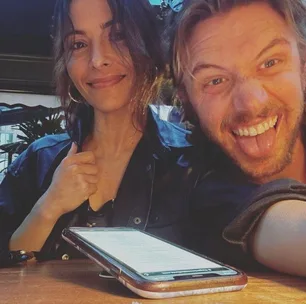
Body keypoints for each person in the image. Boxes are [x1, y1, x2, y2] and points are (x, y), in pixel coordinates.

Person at [170, 0, 306, 282]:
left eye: (270, 63)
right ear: (186, 98)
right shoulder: (199, 192)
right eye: (215, 80)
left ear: (303, 63)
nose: (250, 103)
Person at [0, 0, 198, 266]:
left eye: (117, 35)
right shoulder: (38, 161)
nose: (98, 60)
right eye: (78, 44)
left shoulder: (192, 161)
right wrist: (48, 207)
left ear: (148, 45)